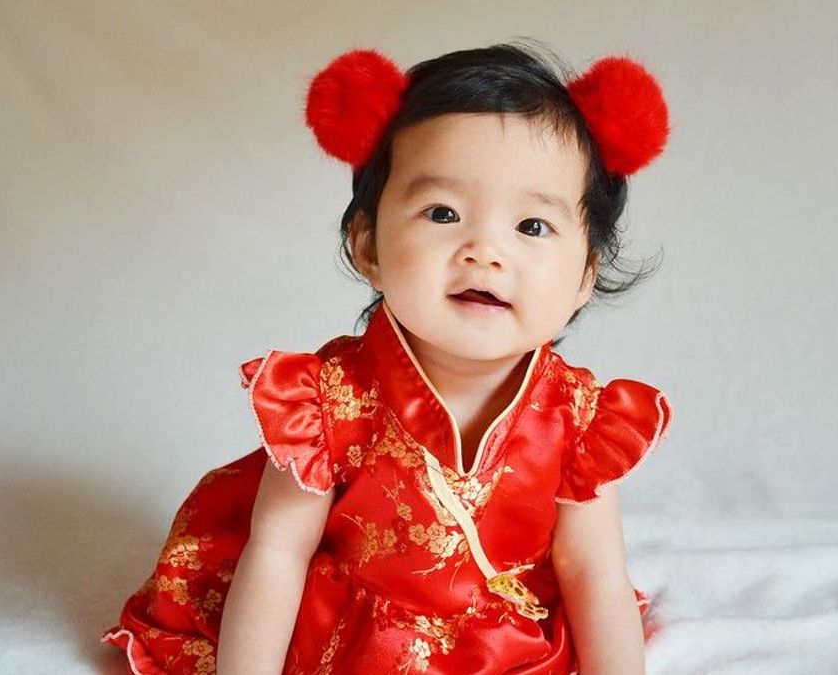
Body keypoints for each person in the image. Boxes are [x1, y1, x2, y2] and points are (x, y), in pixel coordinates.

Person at [101, 39, 674, 675]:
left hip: (504, 641)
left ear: (585, 275)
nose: (485, 251)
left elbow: (593, 572)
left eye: (531, 227)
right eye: (443, 212)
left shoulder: (579, 416)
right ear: (368, 245)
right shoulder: (327, 400)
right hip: (351, 636)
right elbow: (279, 553)